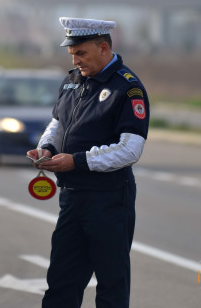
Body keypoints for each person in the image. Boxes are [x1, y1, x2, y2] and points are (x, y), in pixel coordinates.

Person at [27, 17, 149, 308]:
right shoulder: (72, 81)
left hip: (108, 201)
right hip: (72, 198)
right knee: (60, 284)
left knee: (110, 287)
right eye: (72, 55)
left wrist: (77, 162)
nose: (76, 60)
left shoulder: (127, 88)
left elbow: (130, 149)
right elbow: (57, 123)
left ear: (104, 48)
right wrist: (46, 148)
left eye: (81, 53)